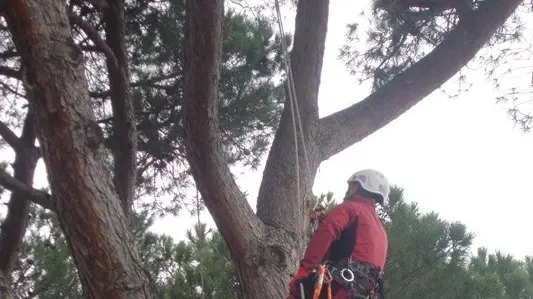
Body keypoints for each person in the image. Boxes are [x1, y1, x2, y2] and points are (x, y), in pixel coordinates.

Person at [287, 169, 390, 299]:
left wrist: (305, 269)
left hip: (340, 287)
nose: (348, 190)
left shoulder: (351, 208)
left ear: (356, 187)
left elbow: (326, 233)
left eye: (350, 186)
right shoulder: (381, 231)